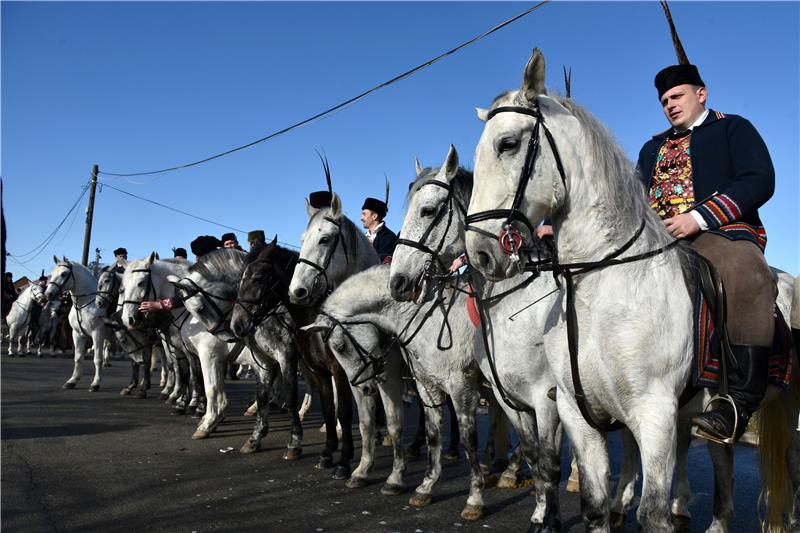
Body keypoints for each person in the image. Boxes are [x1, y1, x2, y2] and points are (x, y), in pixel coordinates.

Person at [636, 60, 776, 444]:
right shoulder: (652, 147)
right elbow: (632, 196)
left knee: (748, 274)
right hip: (655, 237)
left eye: (677, 95)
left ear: (701, 93)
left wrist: (697, 218)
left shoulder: (733, 127)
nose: (669, 104)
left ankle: (737, 404)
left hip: (721, 231)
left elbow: (760, 179)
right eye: (664, 100)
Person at [139, 236, 219, 313]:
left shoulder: (206, 270)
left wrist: (160, 305)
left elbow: (187, 294)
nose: (196, 259)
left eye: (198, 256)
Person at [361, 197, 397, 263]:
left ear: (374, 216)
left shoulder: (389, 237)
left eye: (364, 214)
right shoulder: (362, 237)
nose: (361, 218)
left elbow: (383, 265)